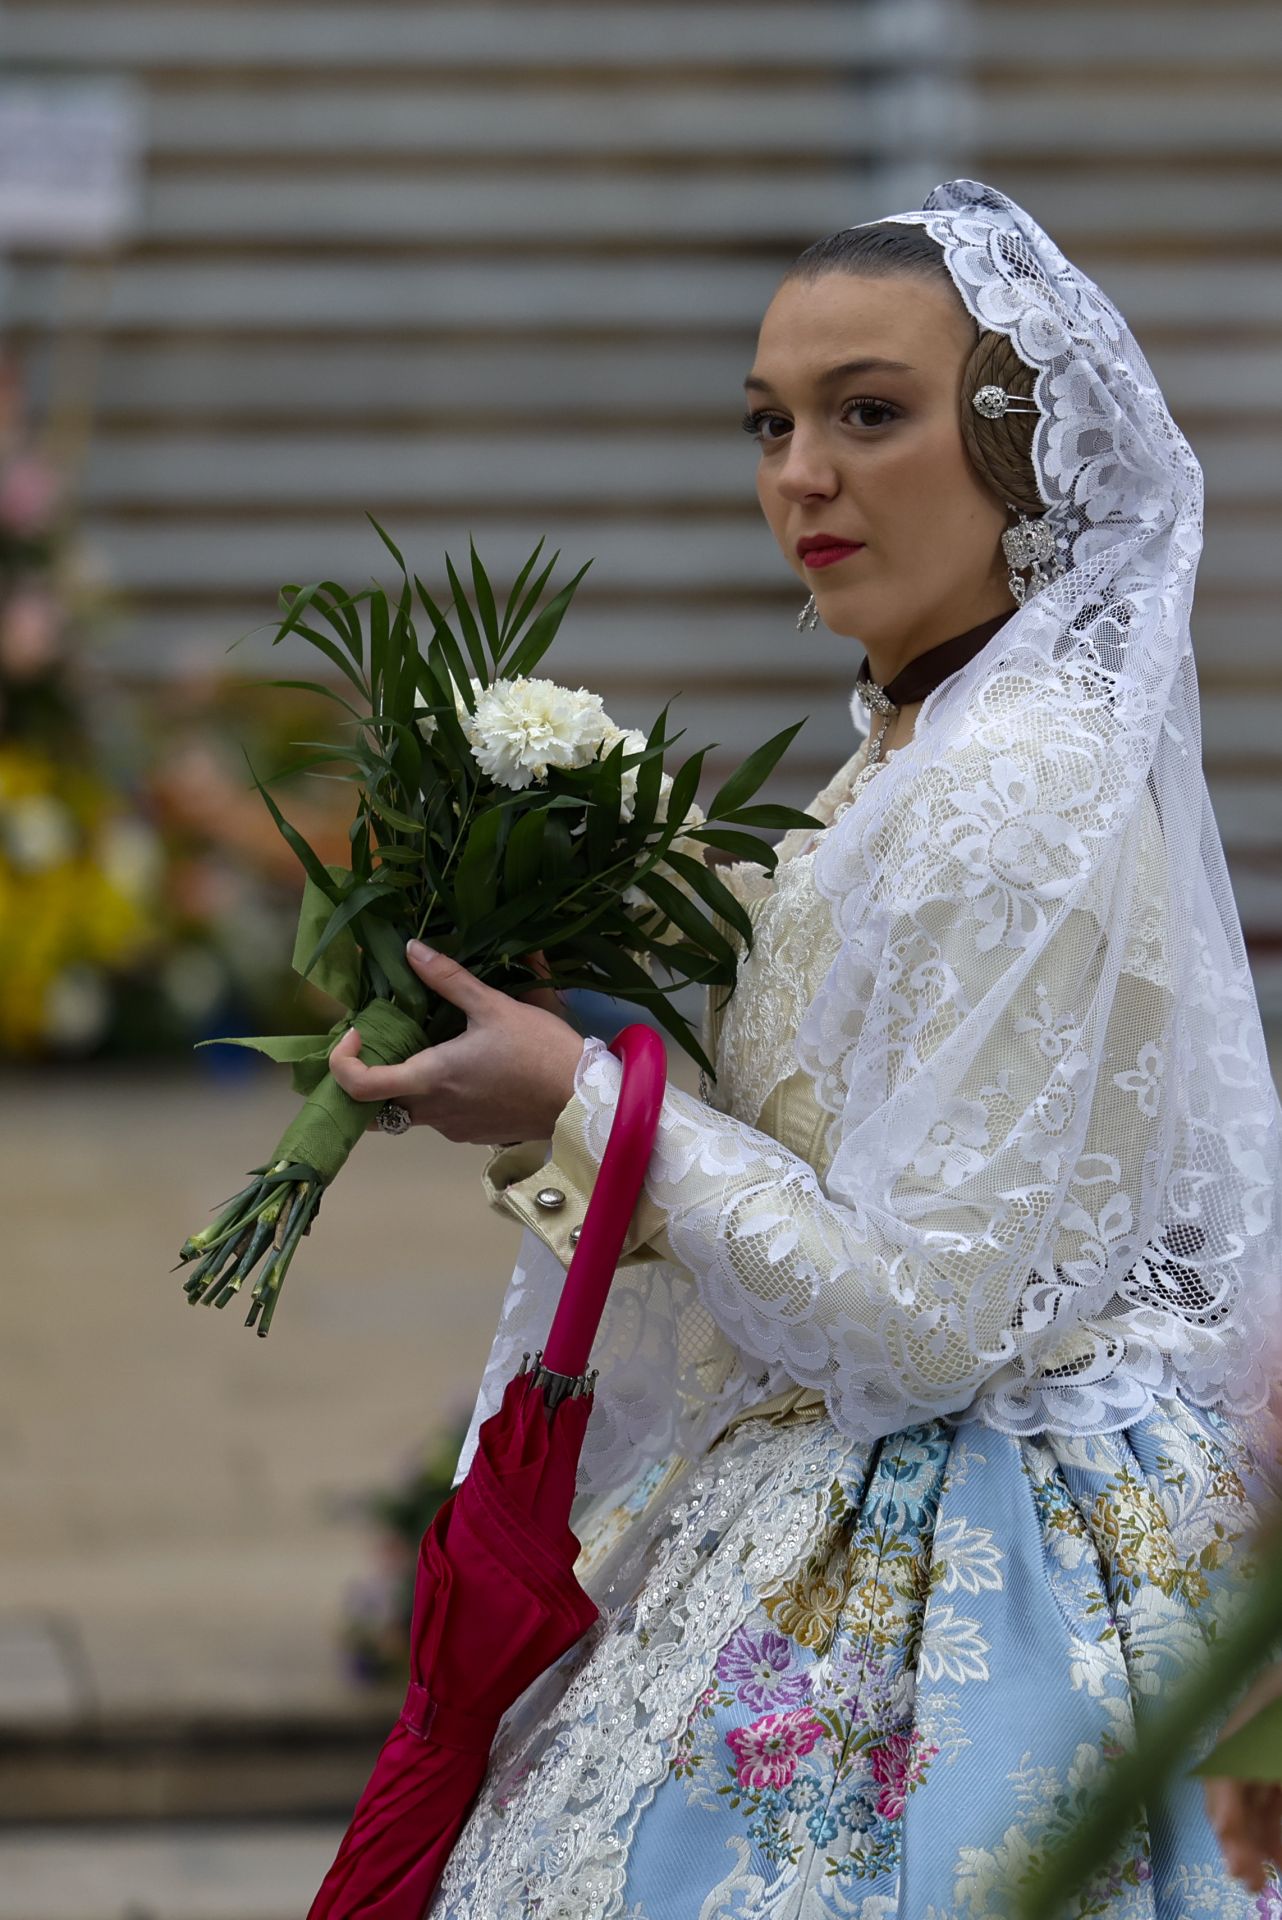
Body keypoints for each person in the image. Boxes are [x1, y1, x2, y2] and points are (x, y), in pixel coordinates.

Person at [328, 179, 1282, 1918]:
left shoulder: (1015, 782)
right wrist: (556, 1084)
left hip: (978, 1560)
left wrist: (587, 1105)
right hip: (864, 1478)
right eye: (770, 423)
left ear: (1021, 449)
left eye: (868, 412)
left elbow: (922, 1318)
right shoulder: (920, 749)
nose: (799, 476)